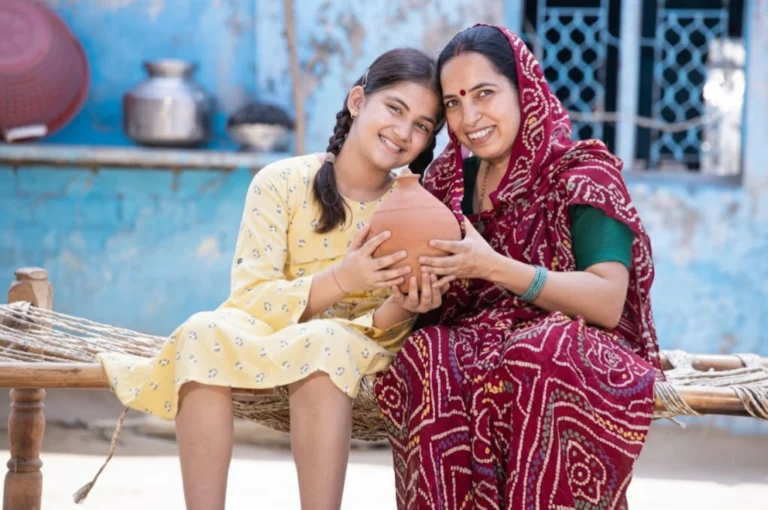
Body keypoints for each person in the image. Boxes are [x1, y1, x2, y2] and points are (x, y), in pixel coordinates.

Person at [98, 47, 446, 510]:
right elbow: (249, 297)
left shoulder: (415, 211)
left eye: (422, 125)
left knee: (326, 339)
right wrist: (342, 278)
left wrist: (408, 302)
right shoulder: (279, 182)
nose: (404, 132)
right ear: (359, 100)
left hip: (359, 352)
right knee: (201, 330)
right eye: (395, 109)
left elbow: (386, 326)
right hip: (273, 334)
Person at [374, 25, 662, 510]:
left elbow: (608, 301)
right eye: (453, 103)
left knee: (541, 352)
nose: (470, 117)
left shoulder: (582, 175)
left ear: (523, 90)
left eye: (485, 94)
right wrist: (414, 297)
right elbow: (426, 299)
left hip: (571, 339)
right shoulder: (445, 183)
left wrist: (495, 267)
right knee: (430, 353)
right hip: (476, 344)